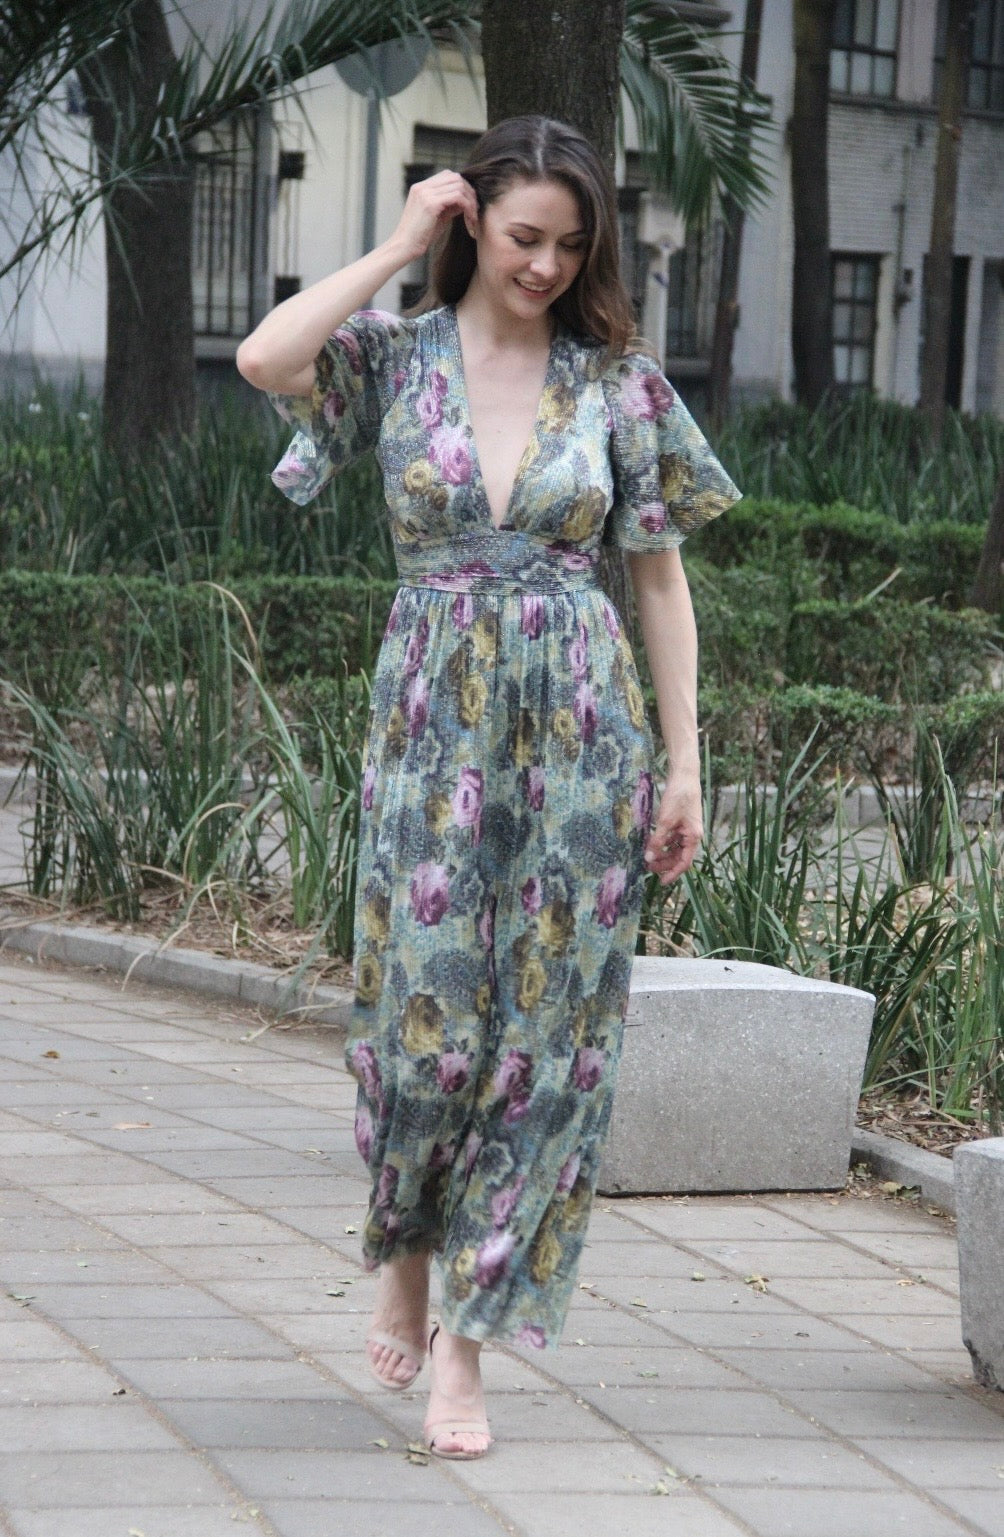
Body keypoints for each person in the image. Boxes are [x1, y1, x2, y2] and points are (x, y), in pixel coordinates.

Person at [236, 113, 742, 1461]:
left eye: (571, 246)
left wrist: (684, 765)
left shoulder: (620, 381)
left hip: (582, 743)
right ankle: (404, 1245)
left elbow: (660, 581)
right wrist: (399, 243)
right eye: (524, 237)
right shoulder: (392, 358)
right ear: (474, 227)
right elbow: (265, 358)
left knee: (546, 1046)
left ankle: (466, 1341)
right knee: (425, 1036)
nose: (546, 266)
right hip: (430, 738)